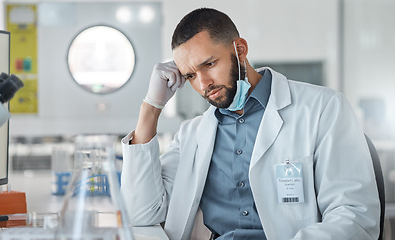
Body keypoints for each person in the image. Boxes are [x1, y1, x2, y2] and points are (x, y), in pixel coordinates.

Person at [120, 7, 380, 240]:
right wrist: (151, 108)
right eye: (190, 75)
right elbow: (142, 212)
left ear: (240, 50)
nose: (202, 84)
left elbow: (354, 217)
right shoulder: (193, 134)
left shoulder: (323, 108)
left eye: (209, 64)